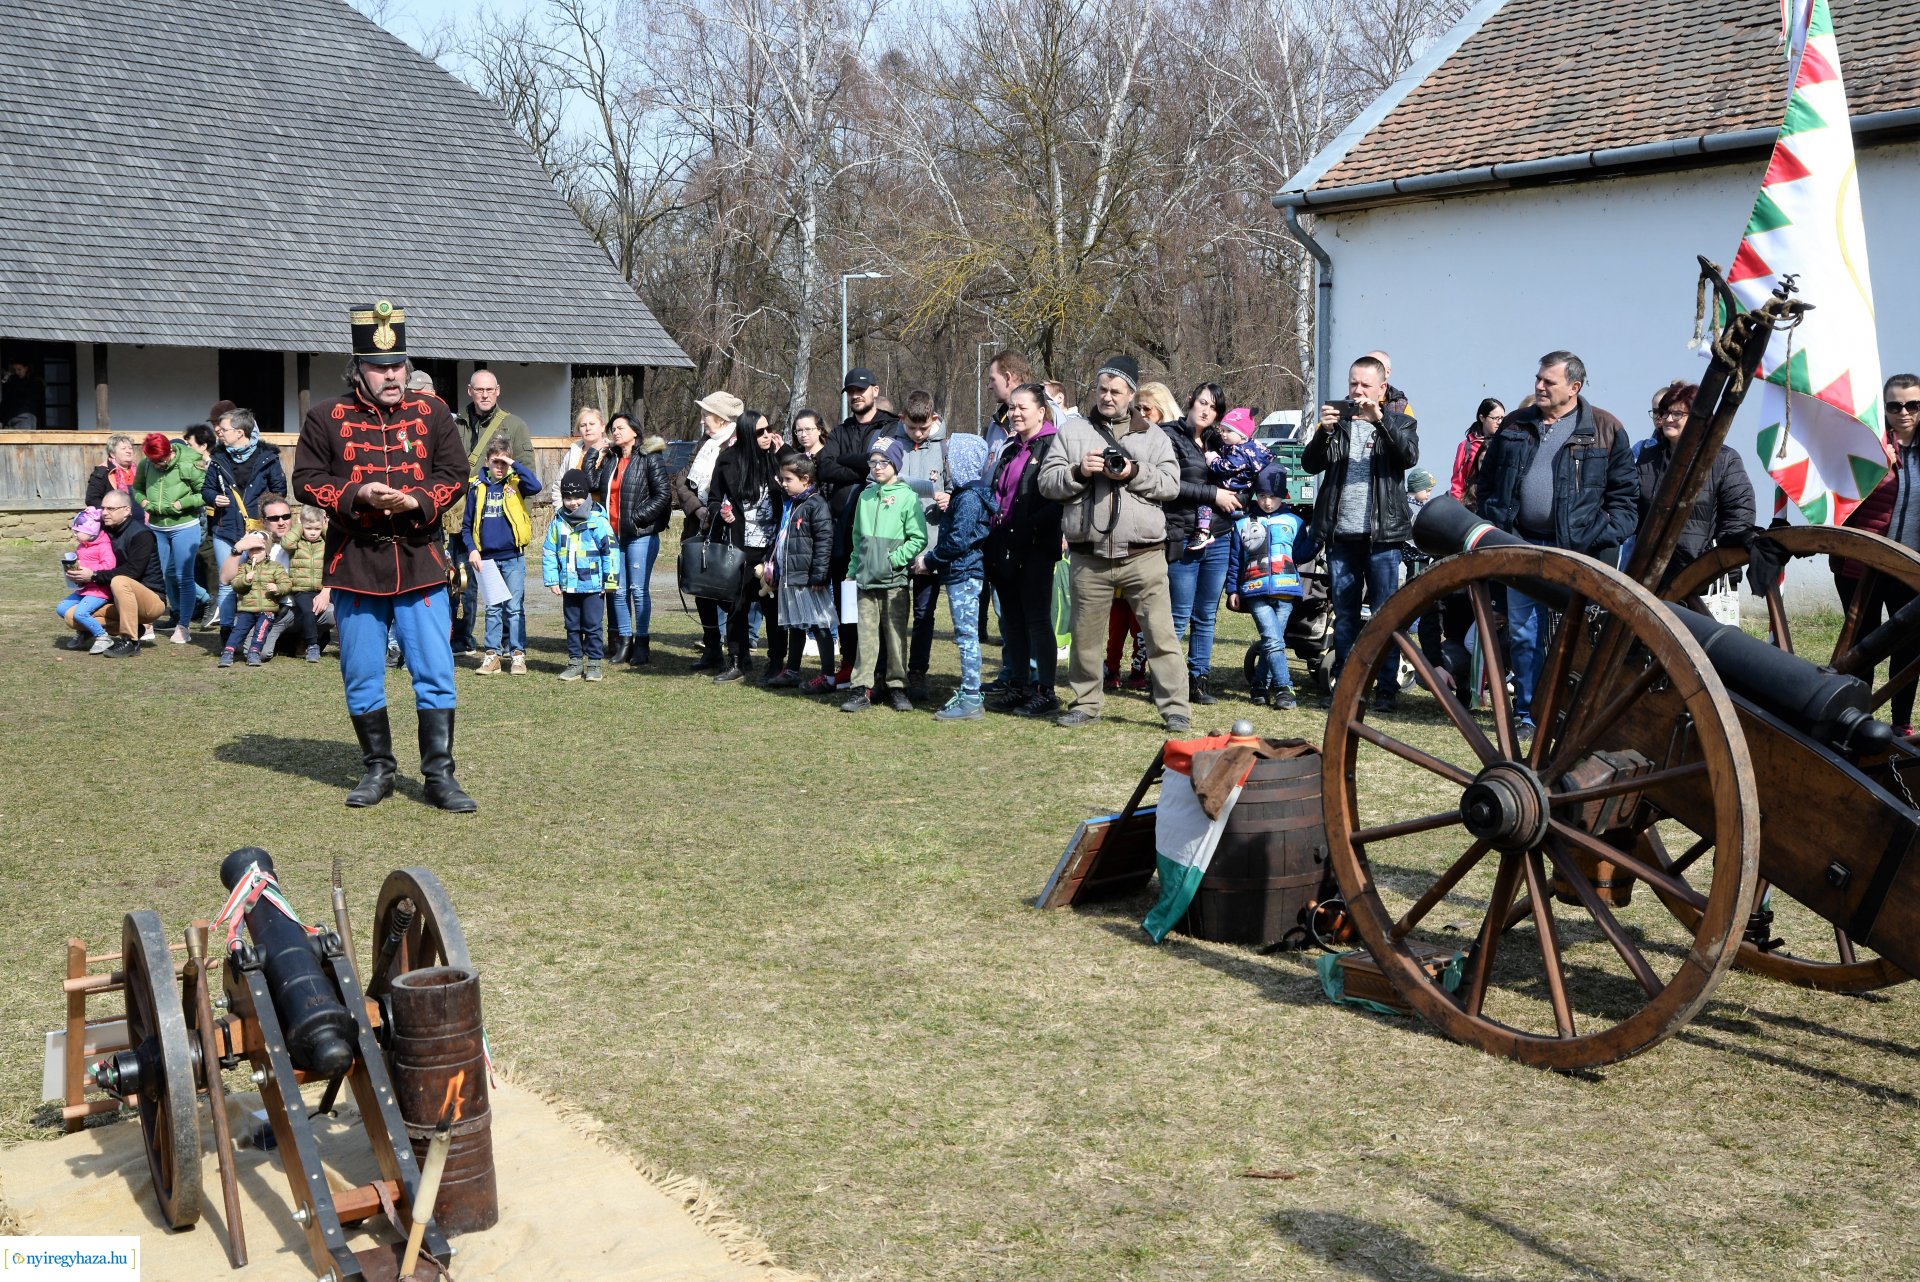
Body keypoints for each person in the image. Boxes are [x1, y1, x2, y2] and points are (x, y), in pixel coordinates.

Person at [293, 300, 474, 812]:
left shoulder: (433, 412)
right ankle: (378, 770)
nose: (392, 376)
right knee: (363, 672)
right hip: (354, 564)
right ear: (359, 370)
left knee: (435, 671)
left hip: (420, 562)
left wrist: (419, 498)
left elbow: (454, 474)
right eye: (380, 367)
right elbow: (305, 480)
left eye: (398, 366)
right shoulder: (325, 416)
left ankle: (440, 777)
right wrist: (357, 495)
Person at [1472, 350, 1637, 738]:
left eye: (1549, 381)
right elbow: (1488, 480)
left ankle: (1571, 712)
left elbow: (1625, 498)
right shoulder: (1515, 424)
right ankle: (1529, 714)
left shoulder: (1606, 428)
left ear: (1574, 387)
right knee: (1524, 634)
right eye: (1538, 379)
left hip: (1576, 551)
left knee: (1574, 634)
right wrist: (1496, 521)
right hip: (1520, 545)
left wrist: (1600, 533)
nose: (1539, 386)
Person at [1037, 355, 1190, 732]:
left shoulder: (1154, 436)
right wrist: (1078, 471)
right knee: (1086, 638)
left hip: (1144, 554)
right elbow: (1047, 482)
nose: (1107, 397)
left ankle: (1175, 708)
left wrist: (1134, 471)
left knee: (1161, 636)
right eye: (1102, 389)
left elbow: (1171, 486)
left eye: (1115, 391)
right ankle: (1085, 704)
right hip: (1089, 555)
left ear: (1131, 394)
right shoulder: (1072, 433)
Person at [1304, 354, 1420, 712]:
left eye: (1365, 385)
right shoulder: (1336, 424)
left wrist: (1380, 421)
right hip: (1342, 536)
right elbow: (1310, 465)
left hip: (1383, 537)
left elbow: (1408, 457)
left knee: (1386, 614)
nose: (1357, 391)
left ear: (1382, 389)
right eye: (1353, 384)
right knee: (1346, 616)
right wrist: (1323, 432)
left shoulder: (1400, 421)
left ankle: (1386, 688)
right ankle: (1347, 687)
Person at [1836, 373, 1920, 734]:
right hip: (1861, 565)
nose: (1904, 412)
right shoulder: (1866, 446)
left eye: (1913, 405)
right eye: (1894, 406)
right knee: (1862, 647)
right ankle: (1859, 719)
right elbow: (1835, 491)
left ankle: (1900, 723)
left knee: (1909, 648)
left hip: (1910, 566)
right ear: (1883, 409)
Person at [818, 368, 902, 686]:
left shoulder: (890, 426)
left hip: (879, 530)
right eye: (851, 391)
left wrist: (855, 462)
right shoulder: (840, 431)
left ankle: (882, 668)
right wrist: (865, 463)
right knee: (847, 602)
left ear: (875, 391)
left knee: (880, 602)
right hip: (843, 532)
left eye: (861, 390)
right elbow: (825, 467)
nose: (856, 396)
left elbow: (887, 463)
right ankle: (850, 662)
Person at [984, 383, 1064, 716]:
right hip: (1003, 546)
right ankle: (1018, 684)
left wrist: (1027, 527)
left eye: (1022, 408)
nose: (1014, 413)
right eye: (1012, 407)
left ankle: (1044, 689)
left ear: (1041, 411)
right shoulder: (1008, 448)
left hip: (1035, 547)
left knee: (1036, 620)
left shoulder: (1053, 446)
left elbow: (1058, 499)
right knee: (1012, 621)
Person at [1161, 380, 1238, 707]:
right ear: (1190, 401)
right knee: (1178, 615)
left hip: (1219, 536)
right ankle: (1167, 682)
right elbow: (1169, 485)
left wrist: (1238, 495)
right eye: (1202, 402)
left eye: (1213, 407)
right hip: (1183, 533)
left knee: (1206, 614)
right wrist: (1214, 494)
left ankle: (1198, 679)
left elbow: (1242, 475)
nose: (1206, 410)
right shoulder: (1169, 436)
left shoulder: (1219, 442)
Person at [1634, 379, 1755, 584]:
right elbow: (1630, 507)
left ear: (1698, 418)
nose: (1668, 419)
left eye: (1677, 414)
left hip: (1701, 573)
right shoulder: (1647, 458)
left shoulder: (1724, 459)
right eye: (1664, 413)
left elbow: (1739, 514)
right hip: (1651, 574)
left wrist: (1717, 562)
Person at [842, 437, 928, 712]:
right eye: (873, 462)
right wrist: (852, 571)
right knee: (865, 637)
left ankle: (897, 687)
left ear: (896, 464)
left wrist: (895, 560)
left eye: (884, 462)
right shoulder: (865, 496)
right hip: (866, 580)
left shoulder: (907, 497)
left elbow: (918, 537)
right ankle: (862, 688)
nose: (877, 467)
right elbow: (857, 539)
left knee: (895, 636)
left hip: (894, 582)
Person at [917, 433, 994, 721]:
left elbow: (958, 541)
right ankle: (969, 693)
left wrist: (930, 559)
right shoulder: (966, 495)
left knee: (966, 636)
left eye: (951, 459)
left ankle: (971, 697)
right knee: (965, 635)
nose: (947, 465)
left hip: (964, 572)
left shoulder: (970, 499)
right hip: (961, 571)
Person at [709, 411, 786, 683]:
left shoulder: (776, 459)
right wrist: (723, 512)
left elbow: (799, 480)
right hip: (738, 547)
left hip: (771, 549)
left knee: (772, 609)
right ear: (746, 434)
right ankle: (737, 660)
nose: (767, 436)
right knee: (736, 606)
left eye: (769, 429)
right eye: (760, 432)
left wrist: (782, 451)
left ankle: (777, 662)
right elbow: (714, 499)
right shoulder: (727, 460)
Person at [203, 407, 288, 642]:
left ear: (240, 432)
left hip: (257, 528)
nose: (219, 433)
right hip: (225, 529)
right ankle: (227, 634)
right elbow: (206, 489)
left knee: (257, 579)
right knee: (227, 581)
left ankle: (258, 633)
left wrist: (264, 510)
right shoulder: (218, 458)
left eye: (224, 429)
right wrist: (213, 498)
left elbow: (279, 491)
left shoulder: (268, 457)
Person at [461, 435, 543, 676]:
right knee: (493, 608)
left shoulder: (517, 483)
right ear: (486, 462)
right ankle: (493, 655)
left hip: (513, 557)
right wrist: (473, 550)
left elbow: (536, 486)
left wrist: (512, 462)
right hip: (487, 559)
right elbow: (467, 526)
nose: (499, 467)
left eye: (503, 462)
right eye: (495, 462)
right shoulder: (477, 487)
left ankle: (517, 655)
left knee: (514, 608)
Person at [1227, 463, 1305, 709]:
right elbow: (1235, 560)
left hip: (1286, 588)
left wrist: (1317, 537)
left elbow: (1301, 553)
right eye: (1262, 496)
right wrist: (1232, 589)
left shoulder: (1295, 522)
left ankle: (1259, 686)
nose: (1267, 502)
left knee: (1273, 640)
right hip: (1254, 590)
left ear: (1283, 495)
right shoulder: (1242, 524)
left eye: (1272, 496)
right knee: (1272, 640)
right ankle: (1285, 689)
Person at [598, 411, 672, 668]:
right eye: (612, 429)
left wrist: (637, 518)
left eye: (620, 428)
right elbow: (592, 483)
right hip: (614, 535)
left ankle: (642, 643)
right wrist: (594, 455)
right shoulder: (610, 459)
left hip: (641, 533)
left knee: (638, 590)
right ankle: (624, 643)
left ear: (634, 431)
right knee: (617, 591)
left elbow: (662, 494)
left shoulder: (650, 457)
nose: (615, 432)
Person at [681, 390, 743, 669]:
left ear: (720, 417)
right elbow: (682, 480)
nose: (703, 419)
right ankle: (712, 648)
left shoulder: (738, 444)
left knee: (727, 591)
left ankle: (738, 653)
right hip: (698, 525)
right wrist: (698, 509)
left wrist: (717, 511)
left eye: (707, 414)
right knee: (700, 588)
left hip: (726, 528)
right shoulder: (704, 443)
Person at [64, 490, 166, 657]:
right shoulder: (103, 530)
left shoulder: (142, 534)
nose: (104, 513)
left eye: (111, 509)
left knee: (120, 581)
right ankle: (126, 629)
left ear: (126, 510)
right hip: (118, 600)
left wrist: (94, 575)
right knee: (70, 616)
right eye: (103, 508)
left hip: (151, 600)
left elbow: (133, 571)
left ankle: (130, 641)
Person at [543, 468, 621, 682]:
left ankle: (594, 664)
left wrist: (610, 580)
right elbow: (549, 550)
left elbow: (611, 551)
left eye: (577, 496)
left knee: (593, 625)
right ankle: (575, 662)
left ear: (586, 495)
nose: (573, 502)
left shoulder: (598, 521)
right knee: (572, 626)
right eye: (568, 498)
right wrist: (552, 579)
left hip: (594, 585)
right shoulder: (558, 522)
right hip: (569, 585)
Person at [896, 390, 949, 701]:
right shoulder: (892, 446)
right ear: (902, 420)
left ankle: (918, 672)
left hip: (930, 546)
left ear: (934, 420)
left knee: (924, 614)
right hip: (896, 545)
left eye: (923, 428)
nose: (917, 434)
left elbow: (957, 487)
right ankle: (890, 671)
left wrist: (948, 498)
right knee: (894, 612)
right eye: (912, 428)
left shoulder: (944, 450)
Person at [769, 452, 837, 689]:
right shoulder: (795, 504)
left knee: (819, 624)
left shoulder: (815, 505)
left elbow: (824, 541)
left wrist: (819, 575)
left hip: (809, 578)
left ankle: (829, 676)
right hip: (792, 576)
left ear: (805, 479)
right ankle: (792, 671)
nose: (784, 484)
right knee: (795, 624)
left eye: (788, 479)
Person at [134, 430, 207, 645]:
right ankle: (146, 624)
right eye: (153, 461)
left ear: (169, 452)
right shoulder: (146, 465)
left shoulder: (190, 463)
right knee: (155, 577)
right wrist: (144, 502)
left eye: (161, 460)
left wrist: (181, 504)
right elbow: (137, 488)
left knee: (184, 577)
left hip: (185, 526)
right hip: (156, 527)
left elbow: (204, 493)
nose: (157, 465)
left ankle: (183, 626)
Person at [221, 538, 291, 668]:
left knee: (261, 630)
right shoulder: (243, 568)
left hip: (267, 608)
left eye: (259, 549)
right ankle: (228, 651)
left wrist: (277, 588)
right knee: (238, 630)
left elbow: (286, 584)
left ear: (267, 551)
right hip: (247, 608)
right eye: (252, 550)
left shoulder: (275, 567)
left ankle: (254, 652)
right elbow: (236, 585)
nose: (255, 553)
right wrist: (245, 580)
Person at [56, 507, 118, 654]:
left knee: (80, 613)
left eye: (78, 531)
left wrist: (87, 567)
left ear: (91, 531)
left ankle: (103, 637)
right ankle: (84, 631)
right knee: (61, 608)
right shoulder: (82, 546)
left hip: (98, 591)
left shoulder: (104, 546)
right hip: (84, 588)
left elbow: (109, 566)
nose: (75, 534)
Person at [1206, 408, 1273, 522]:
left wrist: (1213, 460)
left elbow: (1226, 467)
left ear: (1242, 434)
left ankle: (1203, 528)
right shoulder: (1248, 447)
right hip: (1240, 492)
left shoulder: (1241, 452)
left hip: (1234, 491)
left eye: (1228, 431)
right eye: (1222, 430)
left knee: (1204, 505)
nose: (1224, 435)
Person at [283, 504, 330, 662]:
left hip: (321, 588)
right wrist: (298, 526)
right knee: (309, 612)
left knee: (338, 612)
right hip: (302, 589)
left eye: (317, 529)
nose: (312, 532)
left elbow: (334, 540)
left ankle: (340, 643)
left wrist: (324, 525)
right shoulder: (297, 543)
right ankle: (312, 645)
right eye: (309, 528)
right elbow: (286, 543)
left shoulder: (324, 542)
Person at [1451, 399, 1505, 502]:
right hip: (1472, 502)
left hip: (1496, 502)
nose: (1499, 422)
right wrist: (1456, 507)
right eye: (1495, 418)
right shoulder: (1466, 446)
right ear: (1482, 418)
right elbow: (1458, 481)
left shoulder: (1506, 443)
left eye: (1502, 418)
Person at [85, 435, 140, 509]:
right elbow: (92, 499)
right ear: (112, 454)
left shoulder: (139, 470)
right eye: (123, 448)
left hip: (141, 516)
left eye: (130, 448)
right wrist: (111, 511)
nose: (129, 451)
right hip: (116, 517)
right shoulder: (103, 472)